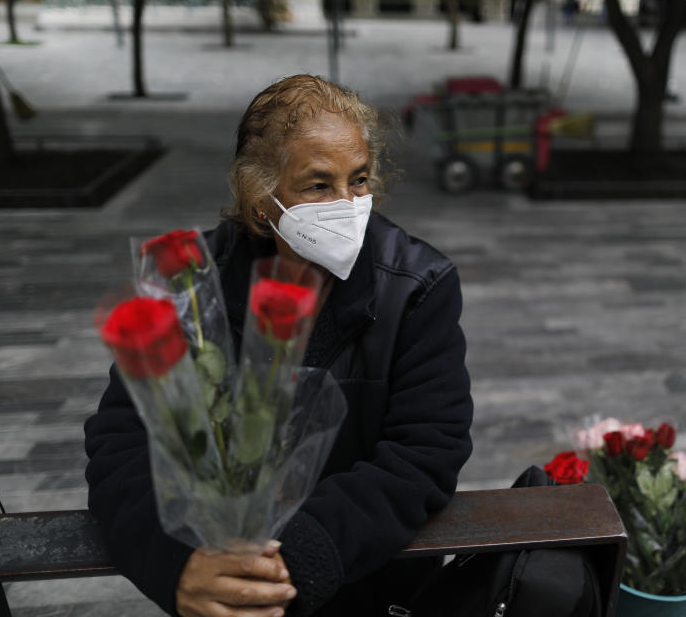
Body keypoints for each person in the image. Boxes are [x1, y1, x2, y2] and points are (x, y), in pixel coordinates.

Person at [84, 75, 475, 616]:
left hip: (371, 583)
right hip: (217, 588)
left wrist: (294, 559)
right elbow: (121, 446)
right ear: (260, 198)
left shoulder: (416, 286)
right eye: (318, 186)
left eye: (359, 180)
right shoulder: (190, 286)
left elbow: (426, 453)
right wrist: (179, 565)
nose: (347, 205)